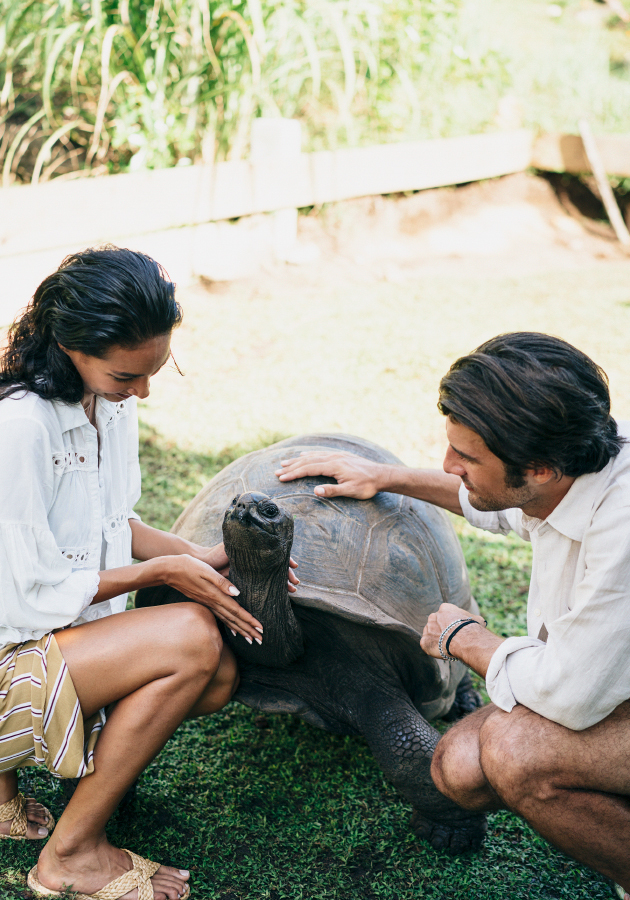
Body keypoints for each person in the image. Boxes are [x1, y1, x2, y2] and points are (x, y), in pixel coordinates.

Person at [276, 332, 630, 899]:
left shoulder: (624, 528)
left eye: (467, 456)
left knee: (513, 754)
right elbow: (494, 506)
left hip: (587, 690)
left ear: (538, 468)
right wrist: (386, 476)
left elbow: (569, 694)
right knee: (460, 765)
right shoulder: (574, 470)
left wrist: (468, 639)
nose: (448, 464)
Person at [0, 246, 297, 900]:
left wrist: (203, 558)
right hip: (13, 641)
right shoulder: (20, 426)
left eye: (155, 371)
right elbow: (27, 593)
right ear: (69, 344)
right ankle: (69, 856)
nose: (143, 392)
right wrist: (158, 573)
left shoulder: (109, 405)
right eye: (126, 375)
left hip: (39, 641)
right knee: (192, 637)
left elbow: (114, 522)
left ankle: (19, 783)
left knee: (216, 676)